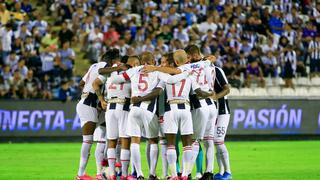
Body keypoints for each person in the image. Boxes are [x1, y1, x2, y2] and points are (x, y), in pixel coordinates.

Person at [109, 51, 192, 180]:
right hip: (148, 110)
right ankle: (152, 173)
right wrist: (186, 73)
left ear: (142, 61)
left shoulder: (134, 70)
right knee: (153, 141)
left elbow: (115, 79)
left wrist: (116, 68)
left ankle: (139, 174)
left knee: (135, 142)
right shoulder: (157, 72)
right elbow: (169, 81)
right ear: (153, 61)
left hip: (134, 109)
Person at [93, 55, 140, 180]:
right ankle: (124, 174)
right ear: (131, 63)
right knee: (125, 141)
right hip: (123, 107)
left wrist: (102, 100)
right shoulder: (133, 72)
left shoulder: (112, 70)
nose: (137, 64)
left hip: (110, 108)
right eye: (136, 62)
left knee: (111, 141)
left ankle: (112, 174)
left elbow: (98, 78)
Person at [75, 49, 115, 180]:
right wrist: (100, 98)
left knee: (103, 135)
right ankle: (80, 174)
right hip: (89, 104)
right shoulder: (104, 67)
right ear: (112, 60)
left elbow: (81, 83)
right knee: (88, 140)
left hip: (90, 103)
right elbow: (96, 81)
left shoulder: (93, 65)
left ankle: (99, 173)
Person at [210, 67, 232, 180]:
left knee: (218, 141)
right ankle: (220, 171)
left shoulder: (216, 70)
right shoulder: (201, 72)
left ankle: (228, 171)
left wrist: (215, 97)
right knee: (215, 141)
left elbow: (227, 89)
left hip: (223, 111)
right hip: (213, 112)